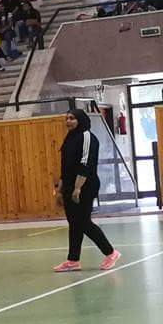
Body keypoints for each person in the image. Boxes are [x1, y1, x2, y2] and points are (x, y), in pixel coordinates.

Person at [53, 109, 120, 273]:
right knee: (74, 223)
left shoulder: (87, 137)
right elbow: (65, 168)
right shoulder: (69, 138)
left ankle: (111, 252)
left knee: (83, 221)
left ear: (80, 120)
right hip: (70, 185)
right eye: (66, 118)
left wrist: (78, 188)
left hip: (85, 185)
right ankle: (73, 260)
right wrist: (60, 191)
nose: (68, 121)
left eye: (72, 118)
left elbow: (86, 163)